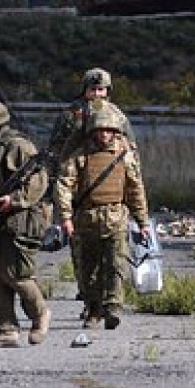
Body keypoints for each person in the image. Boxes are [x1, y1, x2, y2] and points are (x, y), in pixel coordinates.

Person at [54, 106, 151, 330]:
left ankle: (113, 307)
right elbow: (64, 185)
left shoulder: (124, 155)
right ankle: (93, 310)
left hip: (116, 217)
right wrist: (66, 217)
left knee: (116, 265)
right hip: (87, 219)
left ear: (115, 131)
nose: (104, 134)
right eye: (100, 130)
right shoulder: (81, 156)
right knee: (88, 269)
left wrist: (143, 222)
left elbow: (135, 190)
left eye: (108, 130)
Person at [0, 101, 52, 347]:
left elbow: (39, 181)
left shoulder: (19, 147)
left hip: (20, 220)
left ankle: (40, 314)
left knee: (15, 274)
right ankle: (6, 330)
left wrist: (14, 200)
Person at [45, 67, 137, 162]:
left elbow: (131, 147)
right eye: (92, 89)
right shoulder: (70, 115)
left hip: (110, 164)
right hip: (75, 165)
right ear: (85, 90)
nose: (96, 94)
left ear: (107, 91)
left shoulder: (117, 115)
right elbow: (55, 147)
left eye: (100, 89)